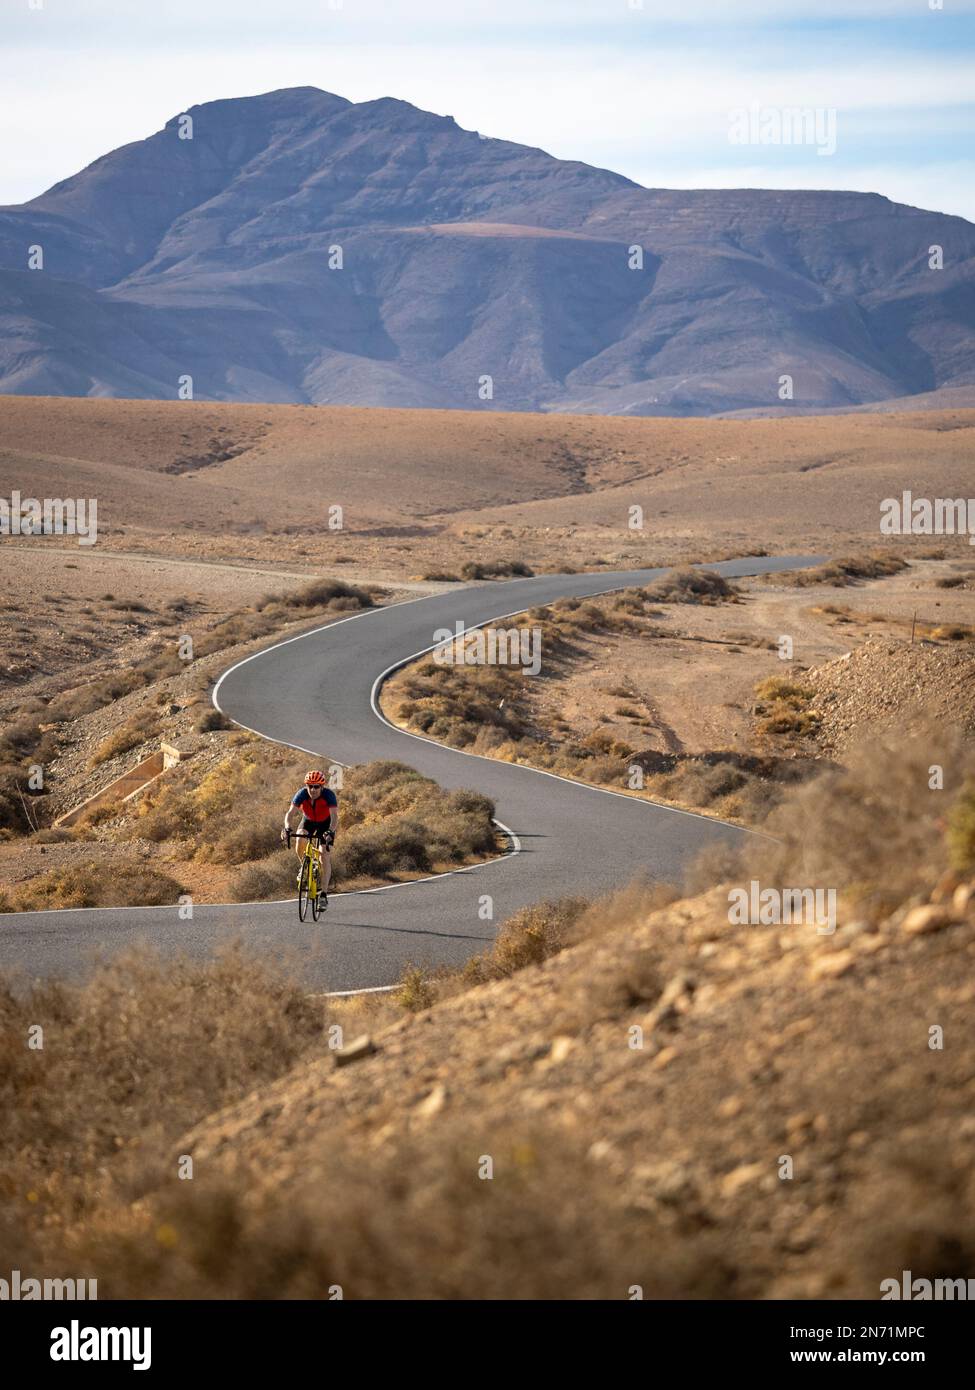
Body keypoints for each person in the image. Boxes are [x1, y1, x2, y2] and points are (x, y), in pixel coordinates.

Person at [282, 770, 338, 907]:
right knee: (300, 839)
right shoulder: (301, 794)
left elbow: (335, 817)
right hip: (308, 821)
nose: (313, 789)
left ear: (322, 787)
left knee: (324, 854)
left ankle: (323, 895)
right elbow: (290, 813)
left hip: (326, 824)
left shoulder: (329, 795)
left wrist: (330, 831)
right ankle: (304, 867)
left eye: (316, 786)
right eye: (310, 786)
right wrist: (287, 828)